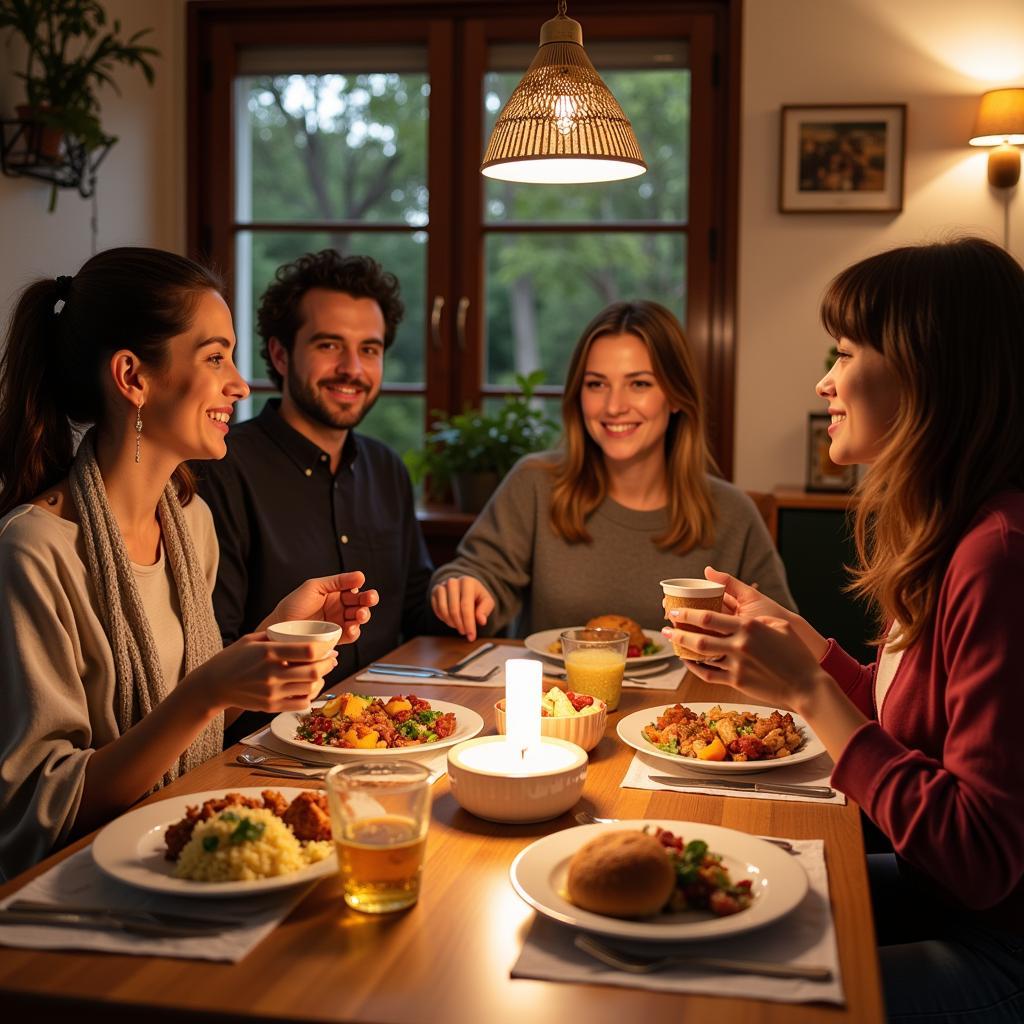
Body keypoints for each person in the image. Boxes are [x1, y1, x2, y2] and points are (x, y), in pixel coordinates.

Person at [664, 237, 1024, 1023]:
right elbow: (915, 732)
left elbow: (981, 858)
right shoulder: (953, 532)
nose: (826, 381)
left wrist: (806, 691)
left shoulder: (997, 556)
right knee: (693, 915)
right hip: (941, 894)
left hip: (995, 943)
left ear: (929, 371)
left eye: (848, 352)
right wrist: (812, 650)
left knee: (720, 1002)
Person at [0, 248, 377, 880]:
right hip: (80, 882)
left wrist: (272, 639)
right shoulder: (35, 551)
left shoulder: (189, 524)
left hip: (176, 850)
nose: (240, 383)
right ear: (133, 377)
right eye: (215, 357)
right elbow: (40, 808)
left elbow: (187, 728)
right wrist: (207, 690)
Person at [430, 300, 794, 641]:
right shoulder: (535, 482)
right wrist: (464, 589)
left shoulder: (733, 512)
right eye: (596, 384)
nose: (614, 406)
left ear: (676, 396)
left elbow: (786, 638)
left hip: (685, 708)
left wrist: (756, 630)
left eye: (639, 384)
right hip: (557, 705)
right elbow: (476, 574)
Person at [194, 252, 444, 714]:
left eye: (369, 349)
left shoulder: (387, 468)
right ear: (280, 354)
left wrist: (474, 582)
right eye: (330, 345)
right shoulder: (221, 469)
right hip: (260, 748)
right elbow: (211, 658)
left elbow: (418, 611)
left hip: (387, 734)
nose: (353, 368)